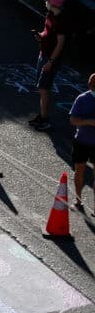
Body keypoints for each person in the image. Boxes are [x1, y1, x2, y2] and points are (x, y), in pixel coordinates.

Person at [29, 0, 70, 131]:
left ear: (52, 2)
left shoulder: (61, 21)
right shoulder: (50, 15)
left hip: (50, 58)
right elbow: (46, 32)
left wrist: (51, 61)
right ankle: (41, 115)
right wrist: (40, 36)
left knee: (44, 88)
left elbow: (60, 43)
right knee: (41, 88)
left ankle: (45, 119)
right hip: (43, 54)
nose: (45, 1)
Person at [69, 74, 95, 215]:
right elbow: (73, 120)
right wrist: (89, 122)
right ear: (90, 85)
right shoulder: (82, 99)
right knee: (79, 171)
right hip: (82, 141)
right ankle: (79, 200)